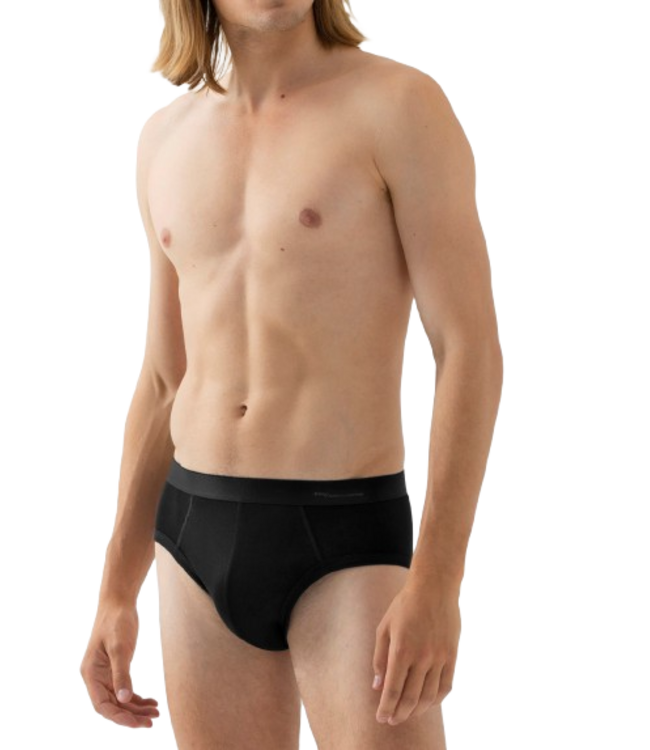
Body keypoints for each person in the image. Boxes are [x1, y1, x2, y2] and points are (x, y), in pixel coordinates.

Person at [78, 1, 504, 747]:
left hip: (345, 531)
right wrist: (116, 587)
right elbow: (164, 379)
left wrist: (438, 581)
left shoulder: (399, 106)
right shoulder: (164, 138)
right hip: (194, 530)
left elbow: (469, 349)